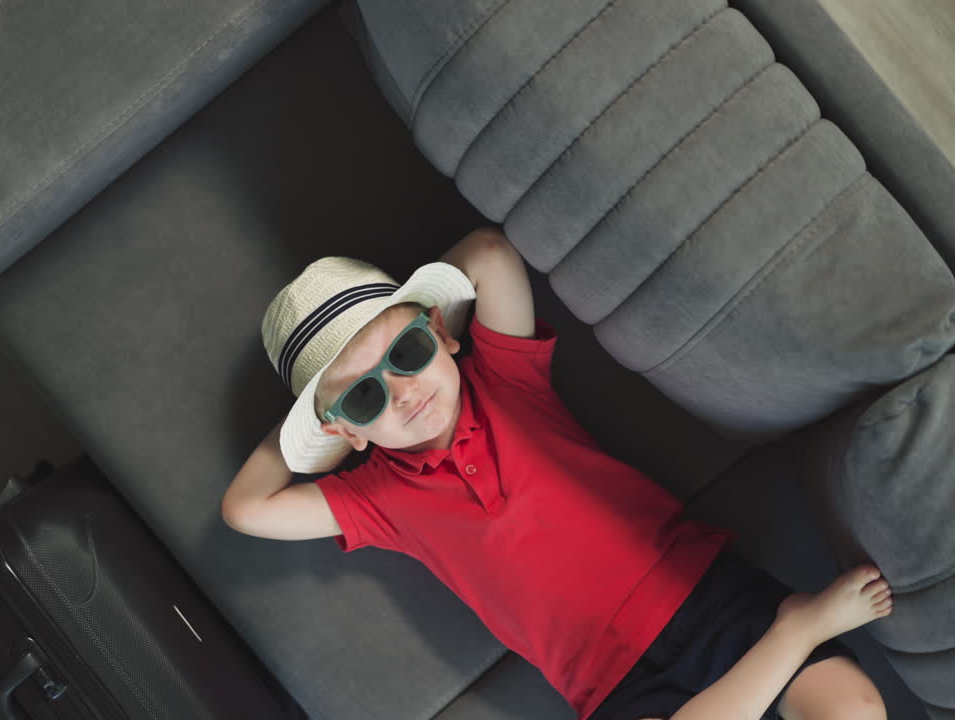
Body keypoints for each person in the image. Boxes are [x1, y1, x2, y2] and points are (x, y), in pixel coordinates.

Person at [221, 227, 892, 720]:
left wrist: (384, 365)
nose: (402, 393)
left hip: (698, 594)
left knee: (855, 710)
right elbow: (247, 509)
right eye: (367, 396)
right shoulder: (378, 497)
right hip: (609, 683)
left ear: (440, 331)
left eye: (408, 352)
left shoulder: (505, 382)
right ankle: (799, 628)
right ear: (342, 428)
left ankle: (792, 638)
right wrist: (321, 426)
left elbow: (487, 255)